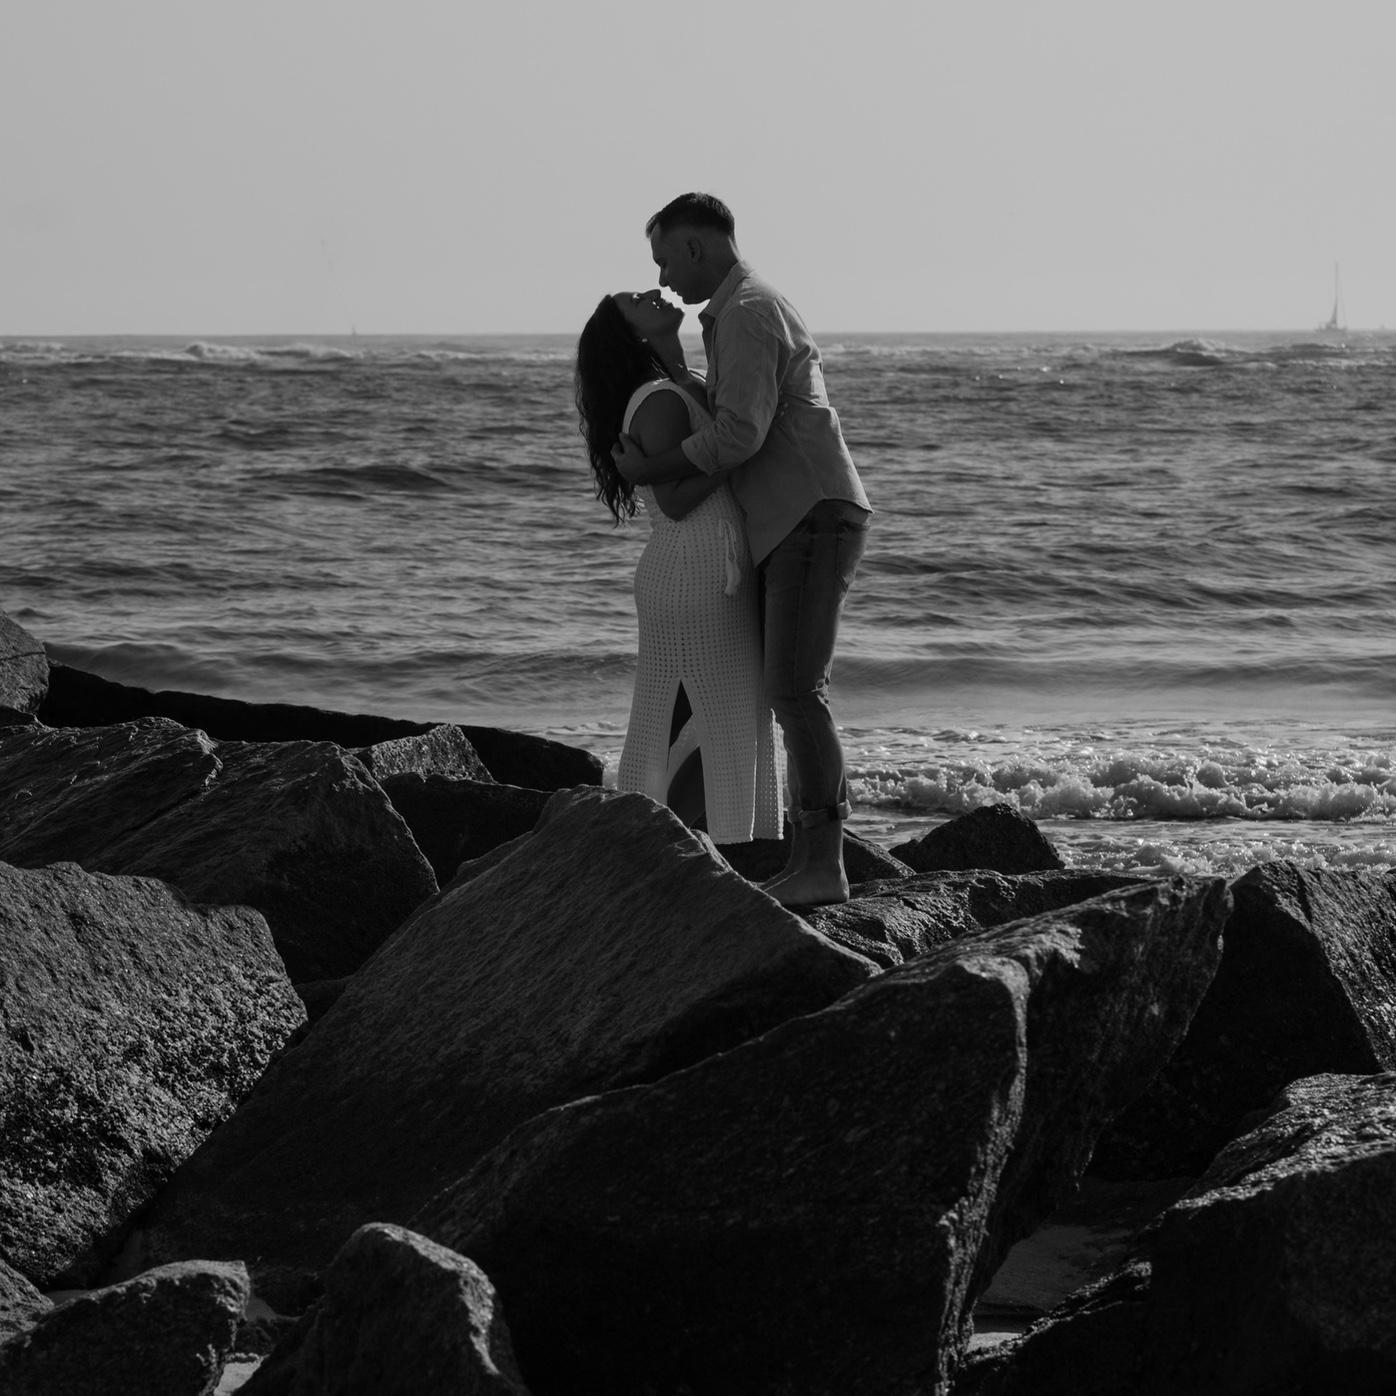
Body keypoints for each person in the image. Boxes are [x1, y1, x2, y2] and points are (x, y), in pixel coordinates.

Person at [613, 193, 871, 908]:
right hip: (796, 516)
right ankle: (809, 859)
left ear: (697, 248)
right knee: (790, 690)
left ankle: (825, 864)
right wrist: (671, 361)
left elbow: (739, 436)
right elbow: (730, 414)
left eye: (665, 260)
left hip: (810, 511)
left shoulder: (749, 312)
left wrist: (651, 469)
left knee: (795, 691)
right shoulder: (735, 313)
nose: (663, 278)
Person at [575, 289, 783, 845]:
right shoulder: (658, 400)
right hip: (692, 571)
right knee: (703, 711)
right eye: (637, 301)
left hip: (707, 568)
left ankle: (692, 841)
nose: (655, 292)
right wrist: (742, 447)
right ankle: (685, 843)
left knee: (714, 708)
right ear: (634, 336)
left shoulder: (684, 383)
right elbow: (673, 500)